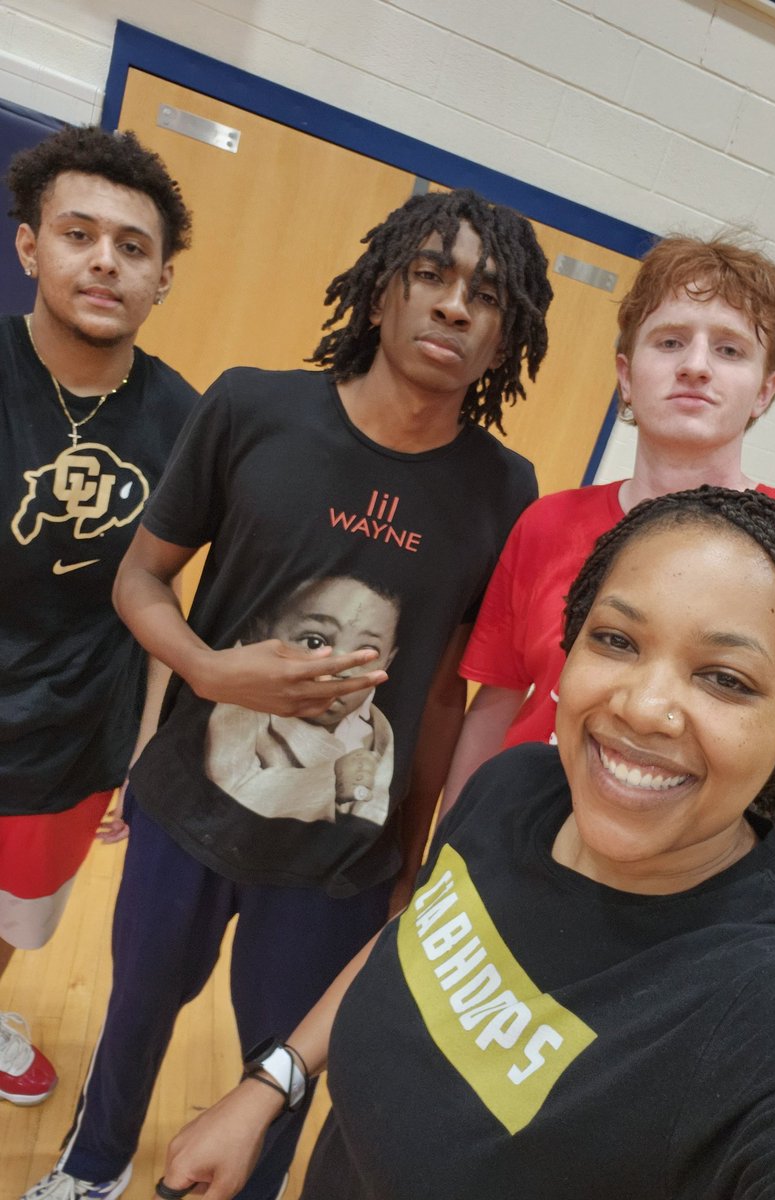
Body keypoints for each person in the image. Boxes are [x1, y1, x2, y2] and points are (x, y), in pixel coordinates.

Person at [21, 188, 553, 1200]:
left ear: (504, 336)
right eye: (431, 275)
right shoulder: (253, 407)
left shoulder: (503, 489)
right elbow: (140, 581)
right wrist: (212, 671)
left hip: (343, 848)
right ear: (382, 291)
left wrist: (418, 853)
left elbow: (447, 691)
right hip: (190, 806)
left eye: (484, 295)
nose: (452, 306)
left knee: (283, 1061)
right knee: (137, 1005)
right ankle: (92, 1167)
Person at [159, 486, 775, 1200]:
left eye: (727, 679)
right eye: (616, 640)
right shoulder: (516, 788)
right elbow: (415, 939)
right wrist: (272, 1084)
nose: (645, 707)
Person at [442, 236, 775, 825]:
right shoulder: (547, 522)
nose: (696, 364)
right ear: (626, 377)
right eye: (670, 341)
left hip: (682, 884)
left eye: (730, 350)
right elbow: (498, 703)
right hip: (518, 839)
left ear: (765, 391)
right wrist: (447, 848)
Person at [0, 126, 196, 1106]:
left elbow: (165, 593)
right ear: (31, 246)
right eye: (79, 234)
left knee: (12, 917)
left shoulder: (187, 421)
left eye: (133, 245)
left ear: (161, 277)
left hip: (73, 737)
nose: (105, 261)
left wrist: (147, 745)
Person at [205, 575, 400, 824]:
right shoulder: (245, 698)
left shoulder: (378, 730)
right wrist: (331, 778)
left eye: (366, 655)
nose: (341, 667)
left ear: (388, 661)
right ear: (263, 630)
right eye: (314, 642)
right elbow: (230, 785)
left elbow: (373, 809)